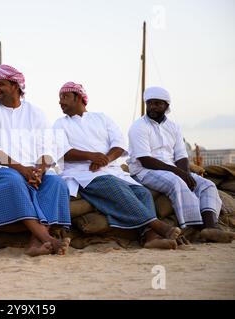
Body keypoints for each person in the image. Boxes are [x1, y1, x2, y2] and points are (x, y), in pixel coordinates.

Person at [54, 82, 181, 249]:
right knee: (114, 187)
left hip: (111, 169)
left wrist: (106, 159)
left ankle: (149, 238)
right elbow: (61, 152)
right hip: (82, 173)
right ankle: (159, 227)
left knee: (142, 193)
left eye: (65, 97)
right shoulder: (60, 124)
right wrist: (91, 156)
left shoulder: (102, 118)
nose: (60, 102)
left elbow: (119, 144)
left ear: (78, 98)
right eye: (60, 98)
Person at [0, 64, 71, 256]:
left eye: (1, 84)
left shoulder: (36, 113)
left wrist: (39, 171)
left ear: (16, 86)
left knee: (56, 182)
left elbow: (48, 148)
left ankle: (35, 243)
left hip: (33, 170)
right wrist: (22, 170)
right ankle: (48, 239)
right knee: (14, 180)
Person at [127, 86, 234, 243]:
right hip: (144, 171)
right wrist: (180, 174)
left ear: (167, 106)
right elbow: (145, 160)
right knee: (177, 183)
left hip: (171, 169)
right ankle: (196, 228)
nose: (152, 107)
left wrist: (186, 174)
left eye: (158, 103)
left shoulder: (173, 127)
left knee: (207, 185)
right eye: (150, 103)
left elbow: (181, 155)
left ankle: (211, 227)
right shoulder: (138, 127)